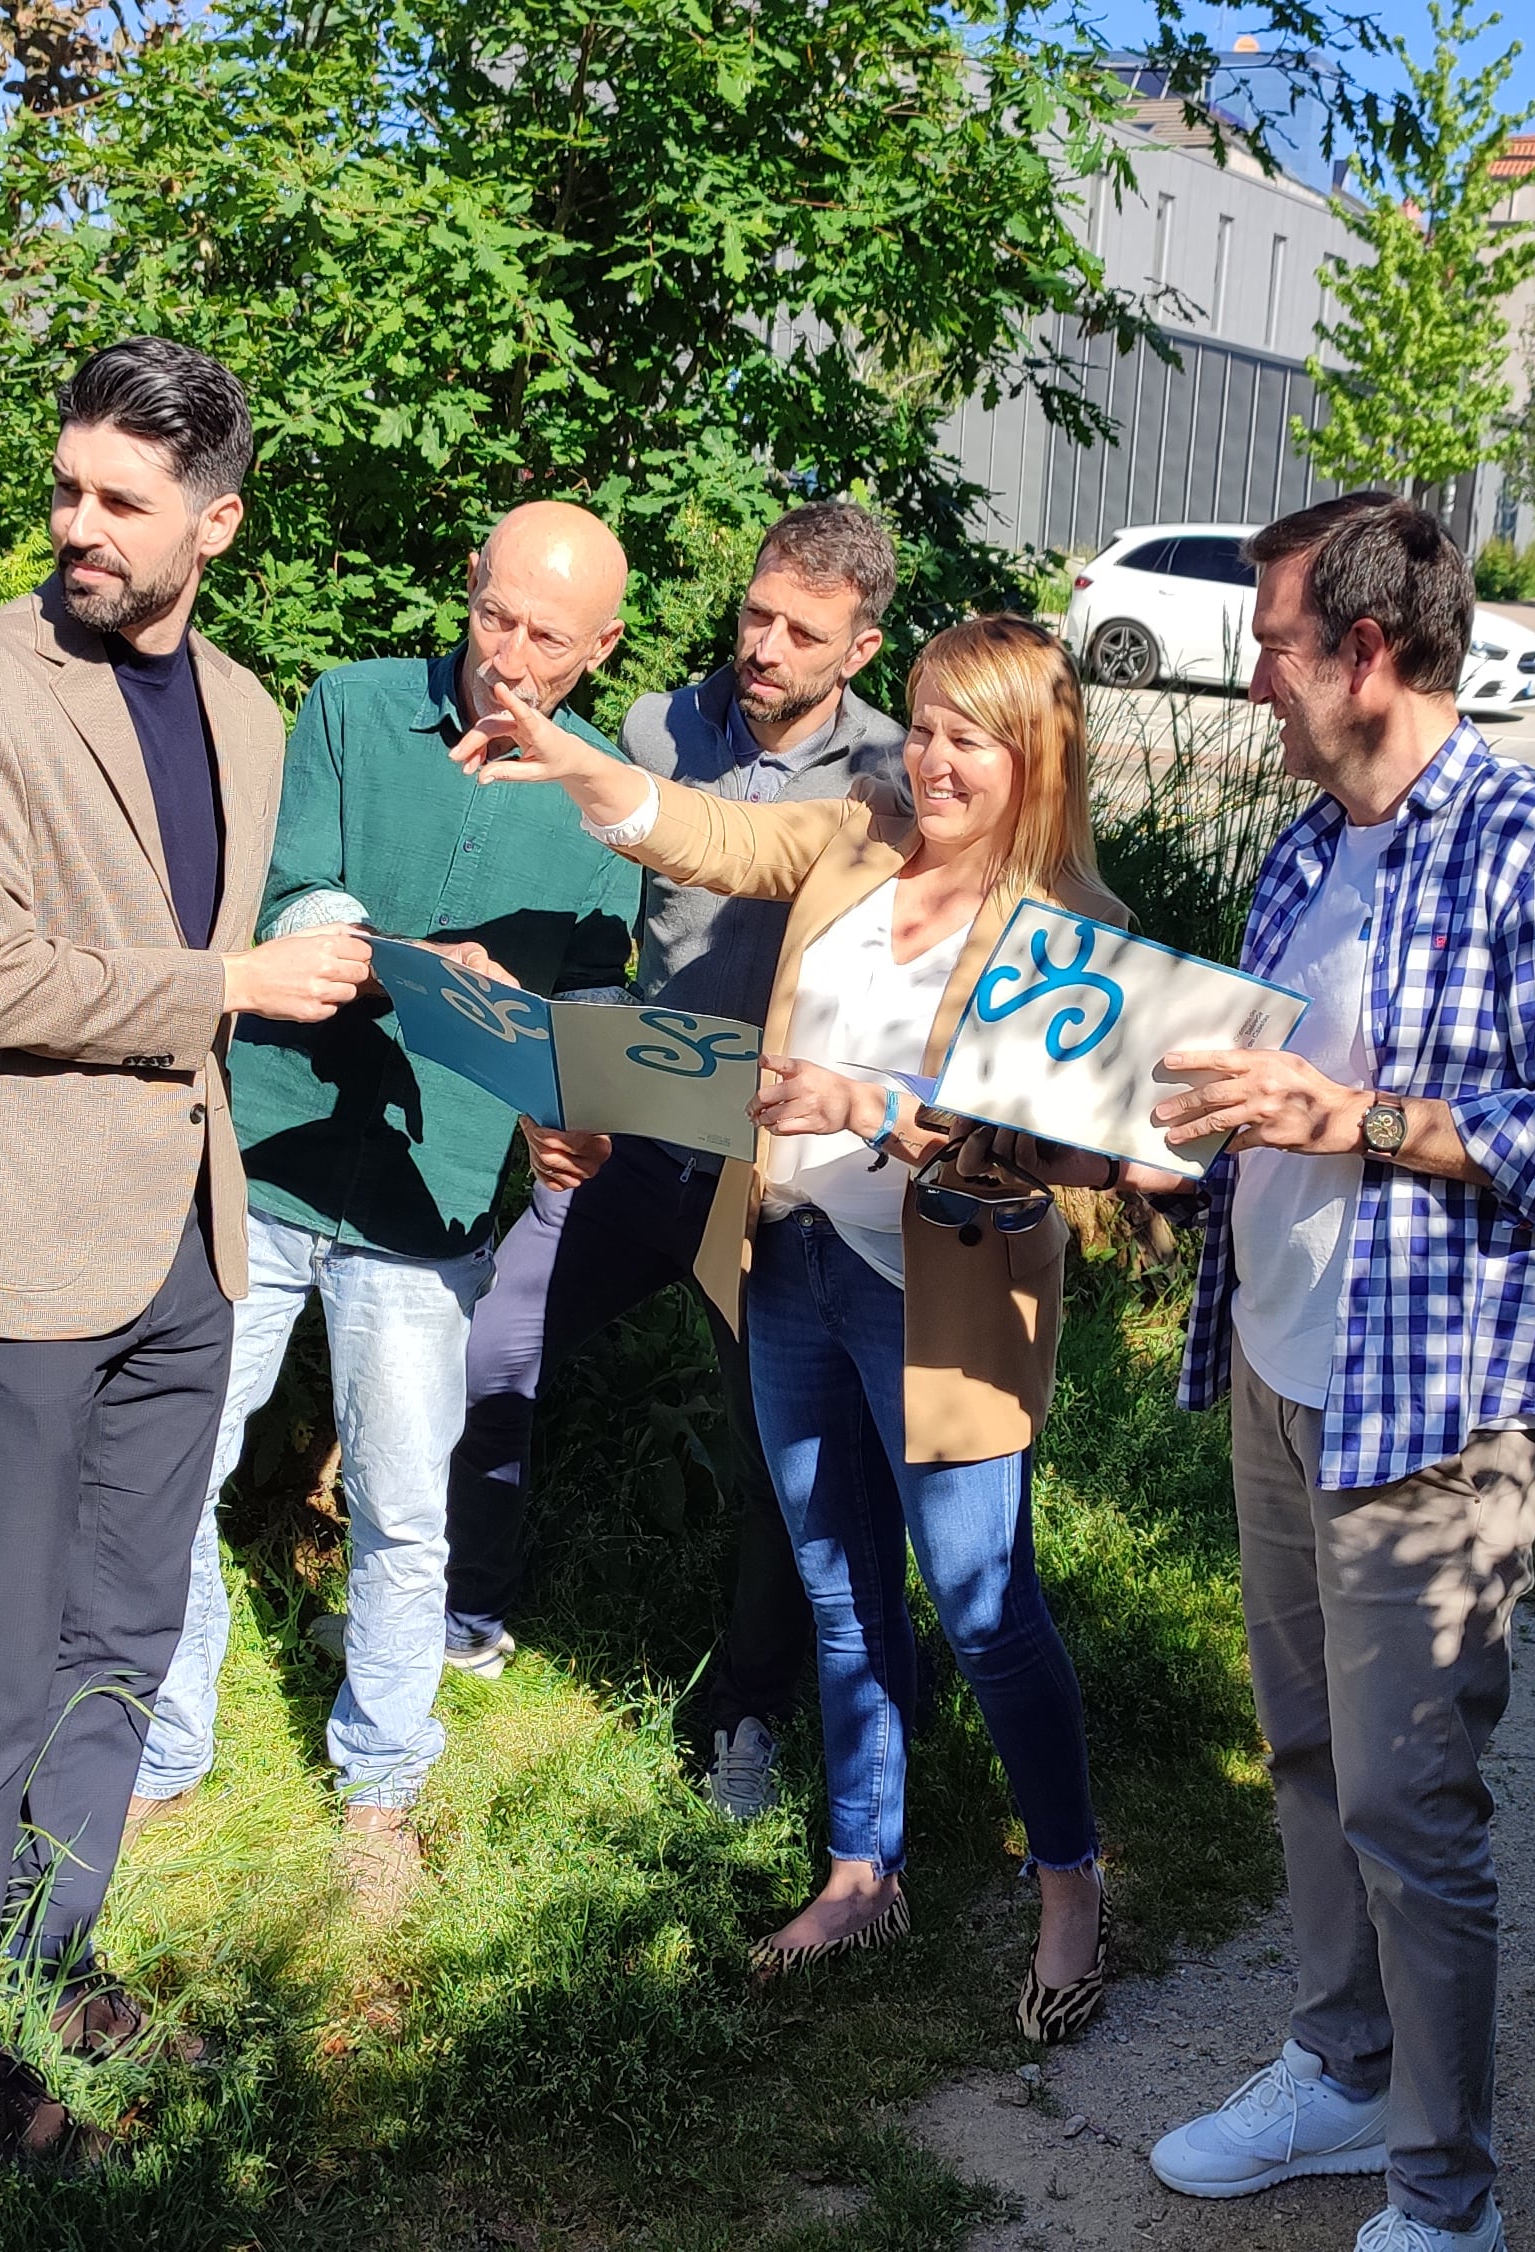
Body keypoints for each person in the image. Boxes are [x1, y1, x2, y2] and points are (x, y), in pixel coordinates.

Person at [456, 614, 1130, 2043]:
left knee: (984, 1604)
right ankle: (861, 1869)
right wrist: (568, 752)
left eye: (970, 738)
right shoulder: (858, 834)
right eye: (927, 724)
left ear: (1038, 758)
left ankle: (1069, 1883)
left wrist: (873, 1108)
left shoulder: (1076, 928)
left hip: (939, 1301)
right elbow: (702, 834)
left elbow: (1048, 1159)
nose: (933, 759)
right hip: (790, 1259)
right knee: (838, 1589)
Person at [1136, 494, 1535, 2252]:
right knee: (1303, 1751)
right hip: (1281, 1370)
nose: (1256, 675)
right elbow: (1255, 1101)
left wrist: (1357, 1120)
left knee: (1408, 1801)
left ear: (1370, 652)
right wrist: (1137, 1145)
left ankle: (1450, 2196)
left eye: (1277, 641)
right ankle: (1340, 2069)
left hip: (1435, 1404)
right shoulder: (1309, 847)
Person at [0, 337, 373, 2172]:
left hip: (189, 1242)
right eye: (67, 487)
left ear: (212, 525)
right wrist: (227, 985)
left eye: (120, 502)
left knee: (123, 1632)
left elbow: (264, 944)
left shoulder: (247, 710)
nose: (76, 525)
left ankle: (49, 1955)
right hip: (14, 1245)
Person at [128, 502, 645, 1905]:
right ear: (466, 590)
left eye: (547, 637)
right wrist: (381, 948)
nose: (509, 656)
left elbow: (595, 1008)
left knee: (407, 1506)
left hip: (434, 1196)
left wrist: (573, 1113)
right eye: (494, 615)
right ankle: (167, 1751)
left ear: (601, 651)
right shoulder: (355, 706)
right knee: (174, 1463)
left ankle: (381, 1788)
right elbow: (292, 885)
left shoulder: (609, 807)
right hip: (275, 1146)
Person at [439, 501, 912, 1819]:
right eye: (754, 612)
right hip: (634, 1132)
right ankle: (455, 1611)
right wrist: (560, 1081)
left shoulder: (889, 781)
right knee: (482, 1332)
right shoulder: (654, 730)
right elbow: (599, 935)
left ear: (859, 648)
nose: (761, 645)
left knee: (775, 1451)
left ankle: (746, 1712)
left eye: (799, 632)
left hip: (773, 1175)